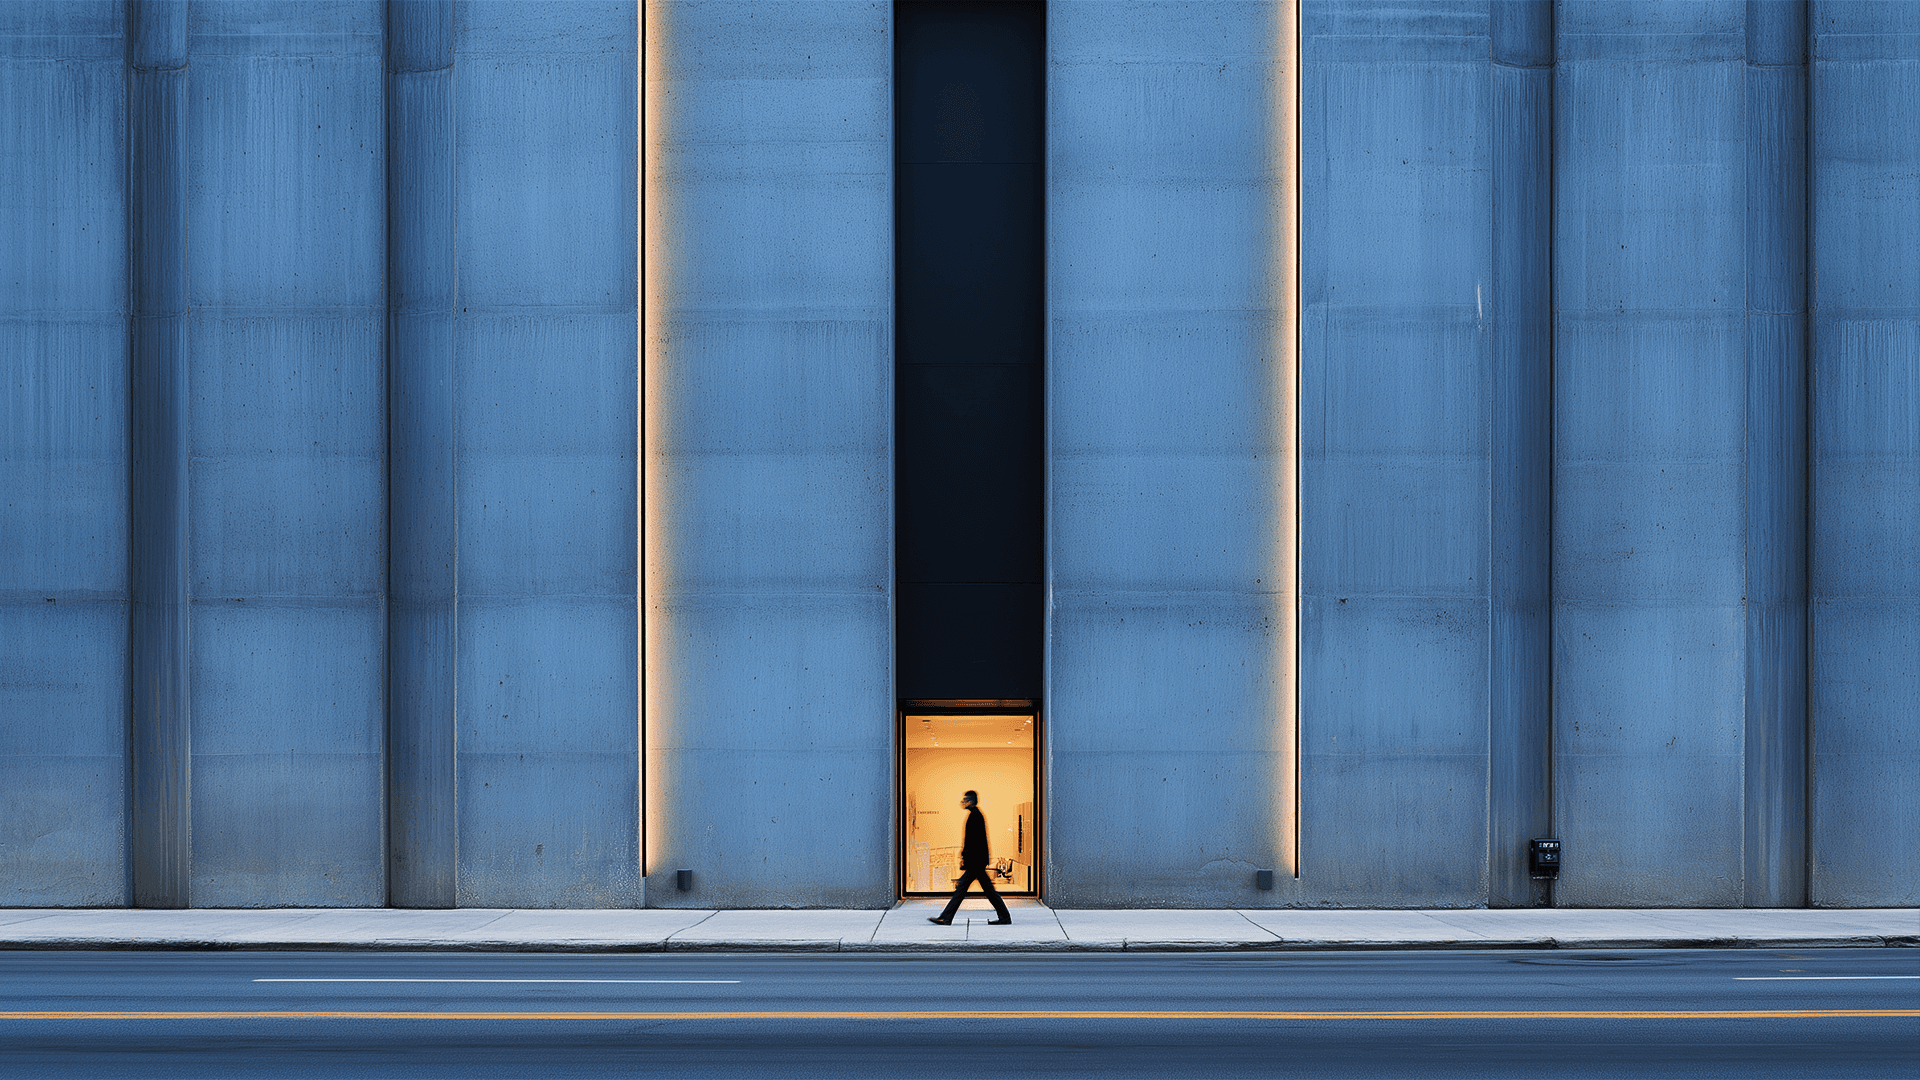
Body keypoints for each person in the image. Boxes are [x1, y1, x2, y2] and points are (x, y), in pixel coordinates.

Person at [929, 790, 1012, 925]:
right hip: (977, 861)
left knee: (963, 889)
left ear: (971, 801)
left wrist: (965, 856)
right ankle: (1004, 917)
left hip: (975, 862)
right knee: (986, 891)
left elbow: (974, 842)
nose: (962, 802)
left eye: (965, 799)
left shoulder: (975, 816)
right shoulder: (975, 815)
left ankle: (946, 917)